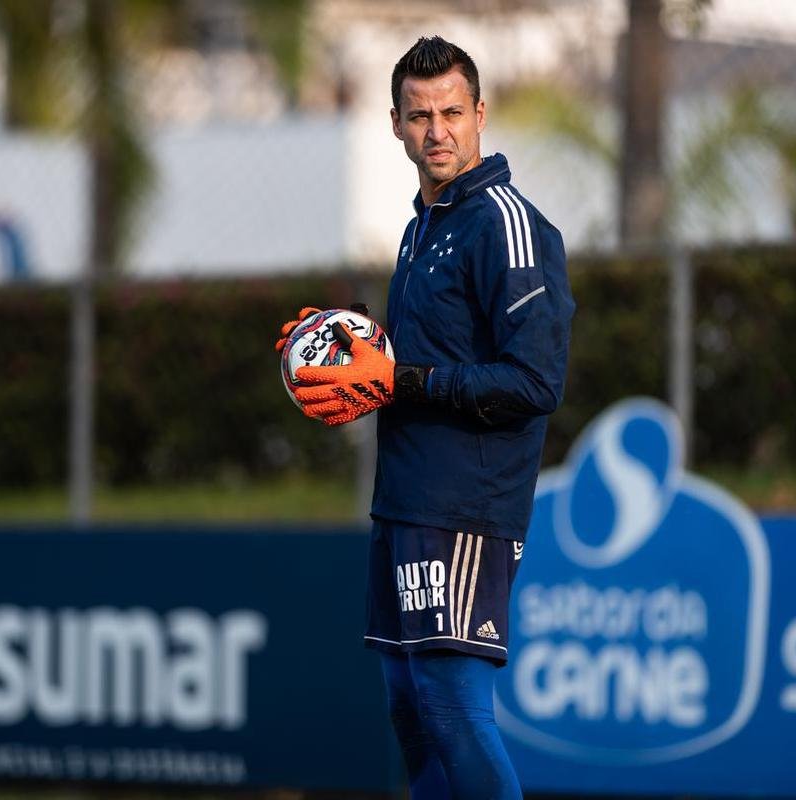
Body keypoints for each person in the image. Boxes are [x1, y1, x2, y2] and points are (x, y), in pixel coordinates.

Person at [275, 36, 574, 799]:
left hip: (464, 505)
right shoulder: (422, 228)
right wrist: (337, 353)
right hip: (403, 499)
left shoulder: (505, 223)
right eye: (419, 115)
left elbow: (535, 381)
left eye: (450, 112)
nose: (435, 130)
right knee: (409, 709)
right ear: (394, 124)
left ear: (480, 114)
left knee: (452, 708)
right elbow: (407, 363)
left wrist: (400, 376)